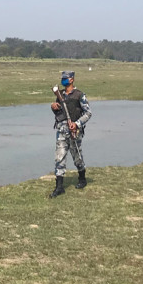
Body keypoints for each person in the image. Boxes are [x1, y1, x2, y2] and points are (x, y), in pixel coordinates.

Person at [49, 70, 92, 198]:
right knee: (59, 157)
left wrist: (77, 124)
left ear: (72, 79)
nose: (63, 80)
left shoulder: (79, 95)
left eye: (65, 78)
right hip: (62, 130)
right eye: (62, 78)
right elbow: (58, 112)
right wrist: (54, 106)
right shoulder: (60, 94)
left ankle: (82, 178)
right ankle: (59, 186)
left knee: (77, 156)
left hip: (74, 131)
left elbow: (88, 113)